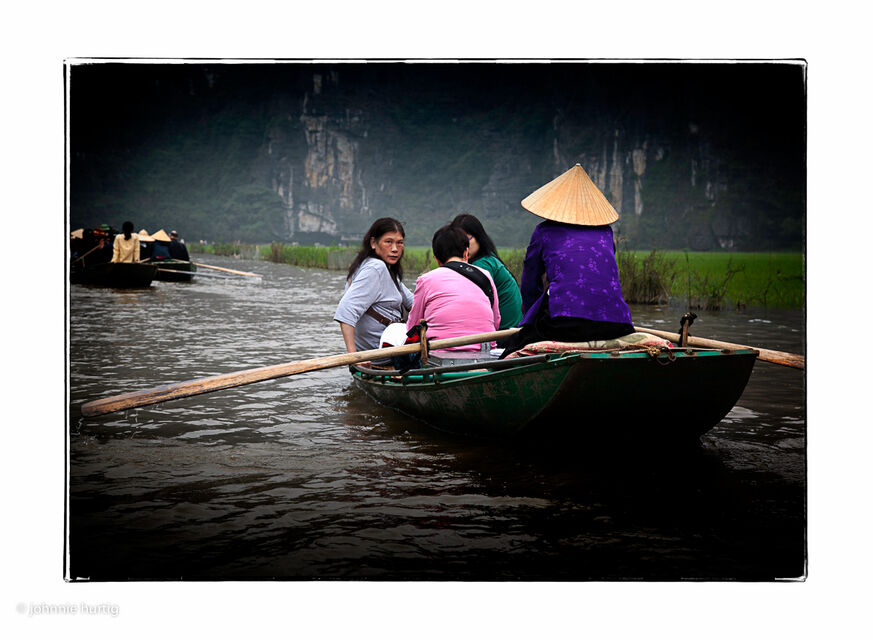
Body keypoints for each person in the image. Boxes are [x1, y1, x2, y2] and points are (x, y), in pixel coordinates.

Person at [499, 164, 634, 358]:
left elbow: (530, 283)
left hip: (566, 323)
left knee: (513, 348)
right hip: (618, 323)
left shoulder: (544, 231)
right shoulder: (606, 232)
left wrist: (530, 320)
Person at [406, 224, 500, 353]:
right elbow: (496, 321)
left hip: (440, 354)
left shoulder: (426, 280)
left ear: (437, 259)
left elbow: (412, 326)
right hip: (485, 352)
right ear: (466, 253)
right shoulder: (485, 275)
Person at [334, 218, 414, 359]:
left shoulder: (372, 267)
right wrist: (354, 357)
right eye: (388, 242)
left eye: (400, 243)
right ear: (373, 243)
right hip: (383, 353)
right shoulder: (376, 268)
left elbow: (413, 302)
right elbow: (345, 310)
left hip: (381, 349)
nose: (395, 249)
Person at [450, 213, 523, 331]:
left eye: (467, 239)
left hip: (503, 333)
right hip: (510, 329)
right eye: (458, 241)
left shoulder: (482, 265)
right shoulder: (489, 258)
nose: (463, 245)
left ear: (478, 238)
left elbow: (471, 305)